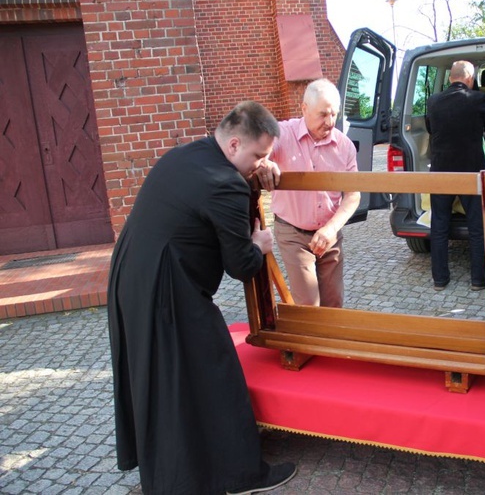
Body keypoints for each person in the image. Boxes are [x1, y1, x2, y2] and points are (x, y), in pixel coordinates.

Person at [107, 101, 296, 494]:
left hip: (131, 274)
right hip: (167, 286)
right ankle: (240, 475)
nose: (259, 165)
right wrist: (259, 244)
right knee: (216, 368)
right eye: (257, 155)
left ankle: (178, 468)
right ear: (232, 145)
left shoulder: (184, 154)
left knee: (163, 375)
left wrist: (253, 177)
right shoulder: (224, 182)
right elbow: (240, 266)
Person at [270, 78, 360, 307]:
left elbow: (353, 195)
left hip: (330, 233)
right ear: (304, 109)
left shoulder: (345, 146)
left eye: (334, 114)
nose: (330, 122)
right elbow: (259, 151)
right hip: (293, 232)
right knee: (309, 304)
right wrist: (264, 162)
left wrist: (331, 230)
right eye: (323, 114)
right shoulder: (282, 134)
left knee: (333, 303)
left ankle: (329, 343)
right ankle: (308, 342)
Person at [425, 60, 485, 291]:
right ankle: (478, 280)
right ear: (469, 79)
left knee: (439, 224)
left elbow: (431, 129)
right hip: (472, 171)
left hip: (440, 171)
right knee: (476, 225)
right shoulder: (478, 99)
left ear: (451, 78)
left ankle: (440, 280)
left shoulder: (433, 101)